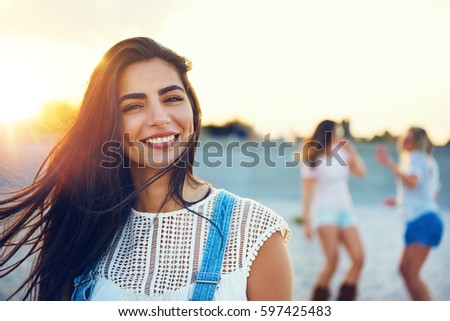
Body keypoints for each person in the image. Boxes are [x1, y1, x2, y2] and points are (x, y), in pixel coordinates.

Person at [0, 37, 292, 301]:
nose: (159, 118)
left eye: (172, 98)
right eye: (133, 106)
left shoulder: (255, 233)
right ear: (108, 124)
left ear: (193, 108)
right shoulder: (82, 227)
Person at [300, 120, 366, 300]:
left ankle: (344, 301)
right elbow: (306, 192)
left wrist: (351, 150)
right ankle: (318, 302)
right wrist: (306, 221)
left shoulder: (342, 154)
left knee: (359, 258)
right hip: (324, 212)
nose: (340, 135)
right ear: (328, 134)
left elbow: (360, 173)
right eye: (336, 132)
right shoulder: (313, 159)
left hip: (346, 211)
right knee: (333, 260)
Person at [376, 127, 444, 300]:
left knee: (410, 273)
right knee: (407, 271)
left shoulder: (415, 157)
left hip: (423, 221)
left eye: (409, 140)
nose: (405, 143)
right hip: (429, 219)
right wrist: (400, 201)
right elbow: (432, 195)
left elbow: (413, 182)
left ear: (418, 143)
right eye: (404, 139)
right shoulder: (429, 161)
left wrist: (388, 163)